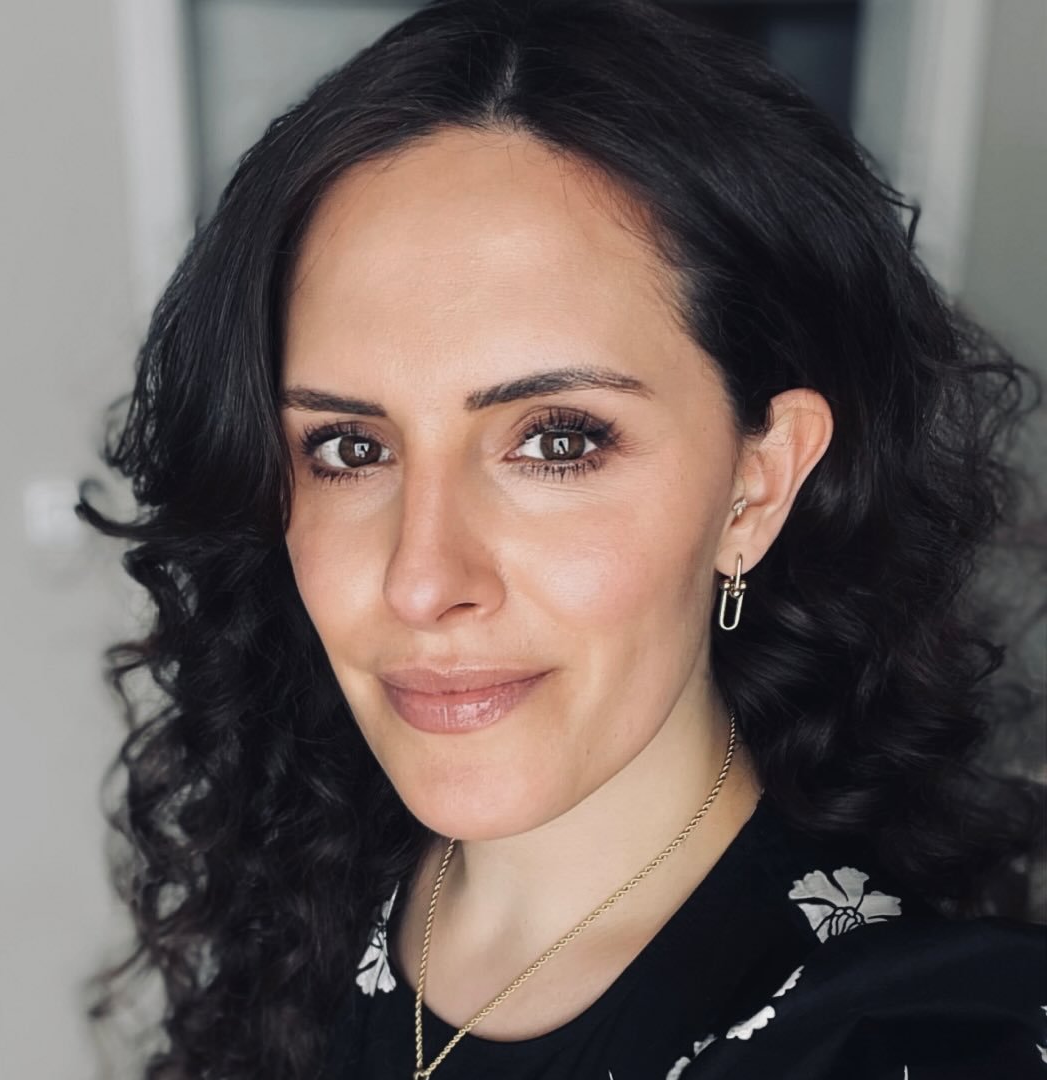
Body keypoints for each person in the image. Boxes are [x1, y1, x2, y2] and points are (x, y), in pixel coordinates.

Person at [78, 1, 1047, 1077]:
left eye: (557, 441)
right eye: (351, 448)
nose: (422, 580)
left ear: (756, 486)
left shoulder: (914, 1044)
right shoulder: (300, 898)